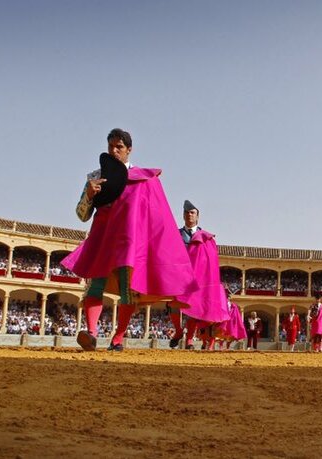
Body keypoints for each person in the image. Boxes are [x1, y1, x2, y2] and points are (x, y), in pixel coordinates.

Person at [63, 129, 195, 352]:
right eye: (111, 146)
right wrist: (88, 195)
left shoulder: (143, 179)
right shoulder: (95, 178)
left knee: (127, 288)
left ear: (129, 150)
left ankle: (118, 337)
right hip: (103, 237)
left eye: (119, 147)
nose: (114, 151)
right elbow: (82, 215)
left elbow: (155, 215)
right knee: (95, 284)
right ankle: (92, 333)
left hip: (128, 239)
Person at [169, 200, 231, 349]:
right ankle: (178, 331)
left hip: (198, 279)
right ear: (183, 216)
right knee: (174, 306)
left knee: (193, 307)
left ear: (197, 217)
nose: (189, 215)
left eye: (192, 213)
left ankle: (189, 339)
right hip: (179, 275)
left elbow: (211, 261)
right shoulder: (175, 234)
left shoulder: (206, 238)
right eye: (187, 213)